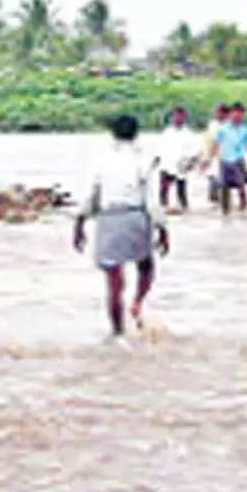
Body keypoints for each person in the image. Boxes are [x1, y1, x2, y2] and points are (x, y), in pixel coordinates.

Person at [74, 114, 170, 338]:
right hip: (135, 216)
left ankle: (117, 332)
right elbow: (152, 201)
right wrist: (163, 228)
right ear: (136, 134)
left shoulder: (100, 160)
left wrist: (79, 222)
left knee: (114, 281)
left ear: (112, 134)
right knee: (145, 265)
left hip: (109, 218)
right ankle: (137, 301)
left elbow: (91, 196)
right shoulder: (144, 161)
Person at [199, 101, 247, 215]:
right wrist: (208, 160)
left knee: (241, 188)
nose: (237, 115)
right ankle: (225, 214)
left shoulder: (245, 130)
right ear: (230, 114)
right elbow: (215, 145)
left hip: (238, 161)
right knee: (224, 190)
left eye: (240, 113)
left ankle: (244, 211)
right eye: (235, 112)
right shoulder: (222, 129)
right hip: (224, 162)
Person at [157, 106, 199, 213]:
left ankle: (185, 211)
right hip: (166, 166)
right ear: (172, 117)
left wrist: (191, 164)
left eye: (180, 116)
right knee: (163, 192)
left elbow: (195, 153)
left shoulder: (188, 134)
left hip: (181, 167)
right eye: (175, 115)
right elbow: (160, 149)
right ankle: (163, 211)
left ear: (184, 117)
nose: (177, 118)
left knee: (181, 194)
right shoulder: (167, 132)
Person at [202, 104, 229, 204]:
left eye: (218, 111)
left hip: (225, 160)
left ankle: (223, 209)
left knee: (224, 187)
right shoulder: (212, 125)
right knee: (213, 187)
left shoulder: (229, 126)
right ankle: (216, 211)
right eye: (216, 111)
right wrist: (204, 158)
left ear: (225, 114)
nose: (216, 114)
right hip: (211, 160)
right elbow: (207, 142)